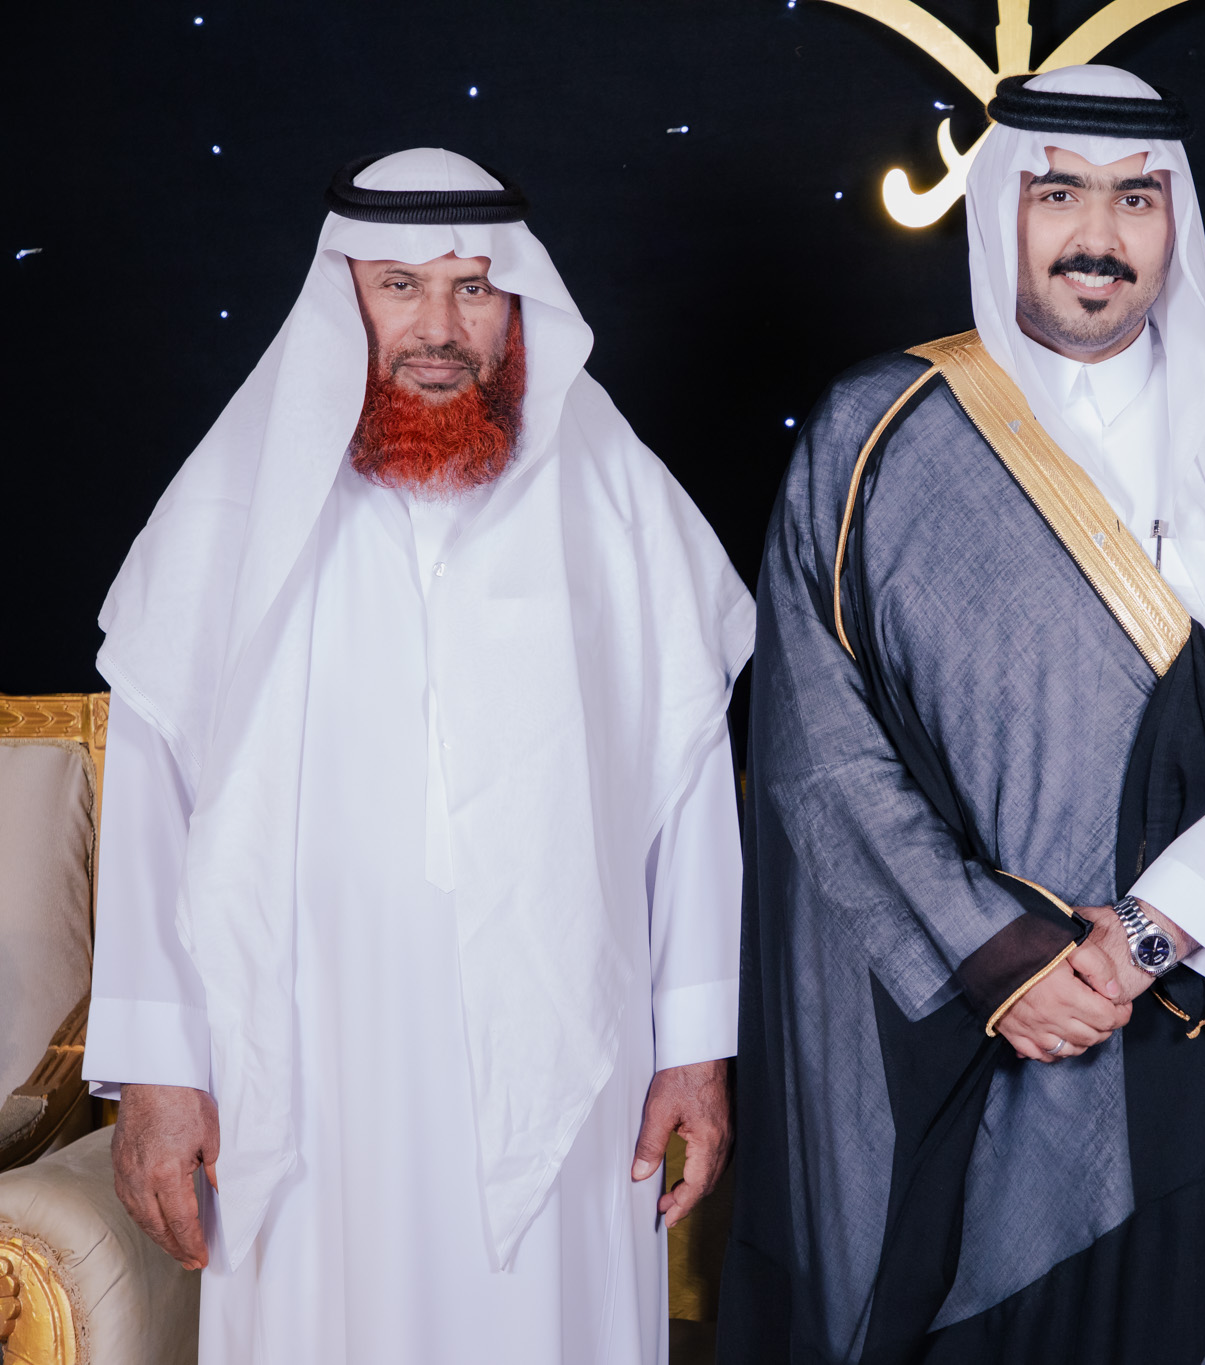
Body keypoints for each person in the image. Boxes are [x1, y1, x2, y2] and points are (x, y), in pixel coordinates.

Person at [719, 65, 1205, 1365]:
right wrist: (1002, 953)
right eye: (1060, 195)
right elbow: (818, 752)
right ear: (999, 213)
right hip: (989, 1035)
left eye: (1136, 198)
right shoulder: (879, 432)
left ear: (1176, 218)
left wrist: (1148, 933)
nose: (1099, 235)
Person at [81, 148, 755, 1364]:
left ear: (517, 303)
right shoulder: (231, 504)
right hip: (305, 1058)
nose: (438, 331)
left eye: (472, 289)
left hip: (573, 1055)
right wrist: (159, 1075)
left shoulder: (613, 494)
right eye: (400, 286)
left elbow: (689, 785)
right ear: (345, 296)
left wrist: (695, 1047)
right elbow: (148, 804)